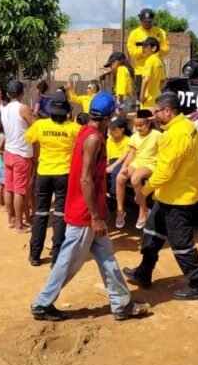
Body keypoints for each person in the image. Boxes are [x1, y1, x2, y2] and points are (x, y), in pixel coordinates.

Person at [31, 91, 149, 322]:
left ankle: (122, 304)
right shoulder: (94, 138)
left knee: (107, 258)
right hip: (85, 213)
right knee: (68, 262)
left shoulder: (87, 131)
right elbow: (86, 179)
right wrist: (95, 216)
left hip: (90, 211)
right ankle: (42, 303)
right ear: (106, 117)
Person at [123, 92, 198, 300]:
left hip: (178, 199)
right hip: (167, 196)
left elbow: (164, 173)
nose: (154, 116)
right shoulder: (185, 126)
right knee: (152, 234)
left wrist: (143, 192)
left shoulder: (176, 134)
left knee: (182, 243)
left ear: (167, 111)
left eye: (157, 111)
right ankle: (144, 272)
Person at [24, 91, 79, 266]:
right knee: (60, 216)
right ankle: (57, 257)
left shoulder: (40, 125)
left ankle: (34, 254)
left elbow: (28, 138)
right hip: (64, 174)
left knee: (40, 213)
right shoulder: (74, 128)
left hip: (43, 173)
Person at [115, 110, 162, 229]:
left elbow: (163, 152)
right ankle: (120, 211)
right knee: (120, 177)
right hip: (137, 162)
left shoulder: (157, 135)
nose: (138, 128)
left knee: (135, 179)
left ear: (148, 123)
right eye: (136, 126)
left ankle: (143, 210)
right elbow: (131, 154)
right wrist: (124, 166)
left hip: (151, 163)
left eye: (141, 125)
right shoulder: (134, 137)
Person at [2, 80, 35, 232]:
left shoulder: (4, 109)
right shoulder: (23, 108)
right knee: (20, 190)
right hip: (21, 153)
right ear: (22, 93)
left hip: (8, 152)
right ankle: (19, 225)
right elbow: (36, 127)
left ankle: (11, 220)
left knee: (9, 188)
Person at [127, 8, 170, 98]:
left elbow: (166, 49)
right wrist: (144, 50)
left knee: (157, 96)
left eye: (149, 22)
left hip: (157, 71)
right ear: (140, 20)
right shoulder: (134, 34)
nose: (147, 24)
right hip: (141, 71)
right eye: (145, 22)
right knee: (141, 97)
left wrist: (155, 51)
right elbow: (132, 52)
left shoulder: (160, 32)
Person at [136, 37, 167, 110]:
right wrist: (157, 90)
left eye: (146, 46)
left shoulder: (149, 61)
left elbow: (146, 79)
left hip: (147, 100)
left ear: (154, 48)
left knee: (143, 119)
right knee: (153, 120)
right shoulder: (159, 61)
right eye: (142, 47)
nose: (143, 49)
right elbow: (164, 80)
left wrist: (142, 97)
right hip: (157, 98)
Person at [106, 115, 131, 199]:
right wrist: (107, 162)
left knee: (115, 172)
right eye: (110, 129)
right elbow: (108, 152)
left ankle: (114, 195)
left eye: (113, 129)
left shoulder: (127, 140)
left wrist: (112, 166)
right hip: (112, 160)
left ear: (122, 130)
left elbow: (124, 156)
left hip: (121, 162)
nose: (111, 132)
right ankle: (103, 191)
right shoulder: (109, 139)